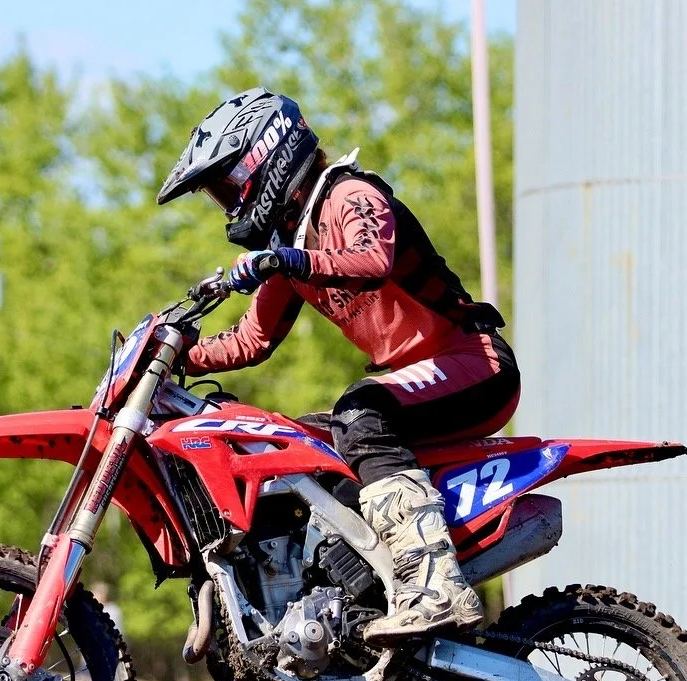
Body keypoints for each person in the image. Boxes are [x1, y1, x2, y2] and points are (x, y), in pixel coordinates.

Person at [156, 87, 520, 646]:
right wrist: (179, 354)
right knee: (293, 444)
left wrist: (285, 259)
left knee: (358, 413)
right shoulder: (291, 244)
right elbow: (253, 339)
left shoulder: (348, 194)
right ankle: (351, 594)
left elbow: (373, 261)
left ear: (266, 155)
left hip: (472, 361)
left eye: (228, 185)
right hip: (411, 384)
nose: (228, 204)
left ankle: (436, 587)